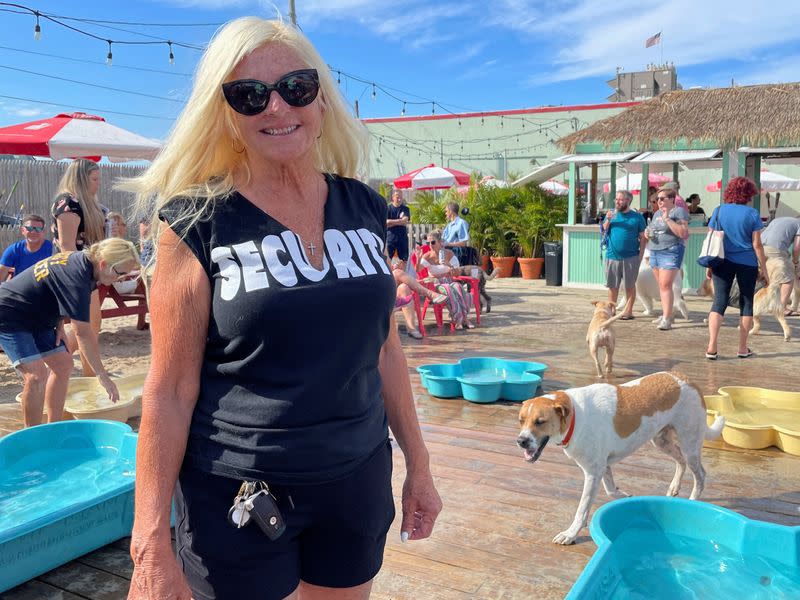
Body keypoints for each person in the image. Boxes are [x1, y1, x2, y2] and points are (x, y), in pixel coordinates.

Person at [121, 17, 441, 600]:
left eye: (295, 86)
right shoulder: (195, 220)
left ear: (321, 98)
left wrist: (419, 464)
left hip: (358, 474)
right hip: (237, 488)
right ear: (226, 116)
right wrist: (149, 542)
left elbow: (385, 350)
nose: (276, 107)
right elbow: (167, 390)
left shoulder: (363, 205)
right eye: (249, 96)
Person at [0, 238, 138, 427]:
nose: (119, 279)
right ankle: (31, 435)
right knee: (36, 375)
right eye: (120, 273)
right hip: (10, 312)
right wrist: (102, 375)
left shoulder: (86, 263)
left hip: (38, 317)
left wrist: (58, 324)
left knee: (64, 364)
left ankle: (53, 426)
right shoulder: (78, 275)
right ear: (104, 264)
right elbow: (83, 333)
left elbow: (52, 287)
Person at [51, 158, 108, 377]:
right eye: (94, 179)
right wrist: (81, 278)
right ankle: (57, 360)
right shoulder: (68, 203)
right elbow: (67, 246)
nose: (98, 184)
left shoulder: (86, 204)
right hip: (72, 272)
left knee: (91, 326)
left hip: (84, 271)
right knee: (86, 327)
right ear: (81, 179)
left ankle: (88, 374)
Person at [705, 176, 769, 360]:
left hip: (722, 260)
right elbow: (757, 244)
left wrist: (709, 264)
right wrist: (763, 269)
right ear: (748, 193)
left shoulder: (718, 211)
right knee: (747, 302)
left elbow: (711, 239)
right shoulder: (752, 214)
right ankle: (742, 347)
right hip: (747, 262)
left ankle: (712, 347)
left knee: (719, 301)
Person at [644, 186, 689, 330]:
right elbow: (653, 230)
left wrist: (668, 219)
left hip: (671, 251)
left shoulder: (679, 211)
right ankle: (666, 314)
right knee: (662, 287)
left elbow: (683, 233)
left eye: (662, 199)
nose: (659, 201)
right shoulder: (657, 212)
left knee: (665, 285)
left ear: (671, 199)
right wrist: (647, 233)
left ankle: (667, 318)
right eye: (657, 199)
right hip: (655, 251)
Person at [602, 191, 646, 320]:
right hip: (612, 256)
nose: (617, 202)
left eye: (621, 200)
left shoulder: (637, 217)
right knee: (612, 285)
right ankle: (612, 310)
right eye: (616, 199)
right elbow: (604, 230)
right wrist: (608, 219)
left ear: (628, 201)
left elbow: (643, 238)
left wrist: (641, 255)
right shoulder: (611, 215)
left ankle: (628, 311)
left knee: (630, 286)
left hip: (631, 257)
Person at [419, 229, 474, 329]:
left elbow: (457, 274)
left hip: (449, 281)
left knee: (458, 287)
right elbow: (417, 270)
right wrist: (419, 258)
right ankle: (459, 319)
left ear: (440, 242)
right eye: (428, 243)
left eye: (433, 242)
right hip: (435, 284)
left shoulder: (449, 254)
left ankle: (464, 318)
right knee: (448, 289)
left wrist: (448, 265)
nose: (430, 245)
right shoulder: (427, 256)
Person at [759, 215, 800, 316]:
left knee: (769, 278)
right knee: (788, 278)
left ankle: (766, 304)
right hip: (775, 249)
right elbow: (796, 248)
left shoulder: (780, 219)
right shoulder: (799, 224)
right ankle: (780, 308)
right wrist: (795, 263)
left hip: (760, 248)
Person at [0, 214, 53, 282]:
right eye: (29, 228)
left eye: (38, 229)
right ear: (22, 230)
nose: (33, 232)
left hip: (45, 289)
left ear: (43, 232)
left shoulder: (53, 250)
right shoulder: (14, 251)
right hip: (21, 290)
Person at [386, 189, 411, 261]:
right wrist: (400, 222)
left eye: (401, 197)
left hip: (402, 238)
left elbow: (405, 220)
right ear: (393, 197)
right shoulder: (388, 208)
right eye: (397, 197)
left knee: (404, 260)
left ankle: (402, 272)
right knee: (387, 260)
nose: (399, 199)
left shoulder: (406, 209)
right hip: (390, 238)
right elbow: (386, 222)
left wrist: (391, 222)